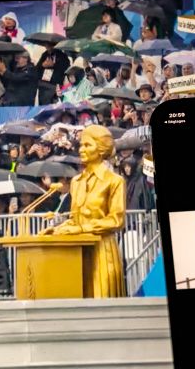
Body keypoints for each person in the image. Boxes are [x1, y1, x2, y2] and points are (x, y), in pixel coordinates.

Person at [40, 125, 126, 298]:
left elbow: (116, 220)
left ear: (101, 149)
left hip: (102, 249)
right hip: (77, 252)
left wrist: (82, 229)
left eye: (88, 145)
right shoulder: (76, 182)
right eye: (81, 145)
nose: (81, 150)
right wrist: (57, 229)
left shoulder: (115, 181)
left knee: (103, 301)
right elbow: (75, 218)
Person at [36, 41, 70, 105]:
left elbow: (66, 67)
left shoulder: (62, 55)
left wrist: (54, 65)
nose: (47, 47)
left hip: (55, 84)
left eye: (49, 45)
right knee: (42, 103)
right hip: (43, 83)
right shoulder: (45, 54)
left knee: (53, 104)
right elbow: (37, 67)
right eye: (46, 45)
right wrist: (43, 65)